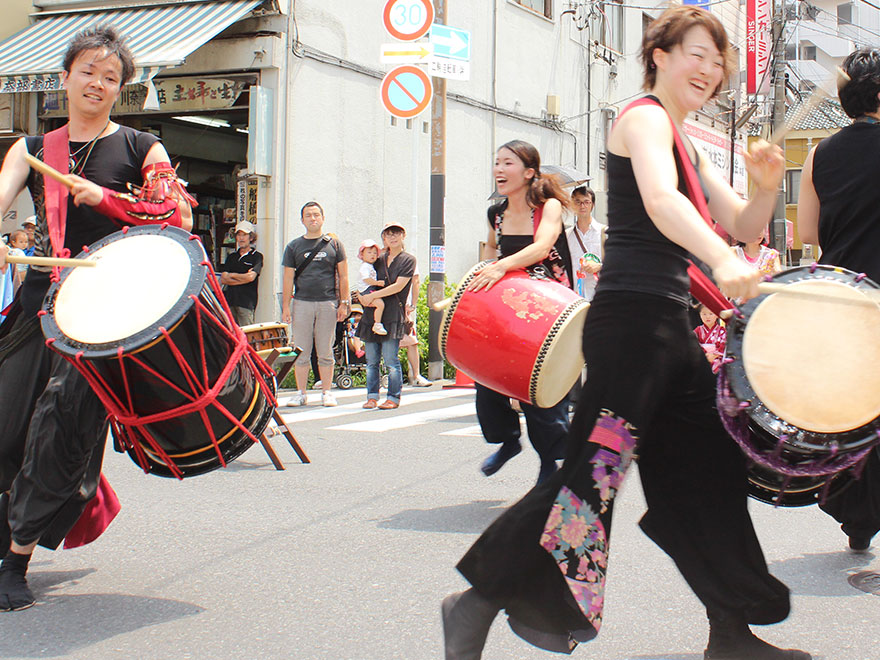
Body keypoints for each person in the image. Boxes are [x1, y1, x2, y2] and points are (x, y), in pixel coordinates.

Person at [442, 8, 811, 660]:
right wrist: (722, 263)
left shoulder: (688, 140)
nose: (709, 67)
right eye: (696, 52)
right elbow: (664, 204)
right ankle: (477, 601)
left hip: (670, 330)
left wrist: (758, 189)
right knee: (595, 474)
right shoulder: (640, 118)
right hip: (632, 326)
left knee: (710, 472)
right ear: (661, 55)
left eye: (717, 59)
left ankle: (730, 632)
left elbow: (747, 227)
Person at [0, 25, 194, 612]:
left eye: (112, 78)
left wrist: (106, 199)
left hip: (105, 309)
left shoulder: (141, 148)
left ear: (120, 90)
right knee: (8, 426)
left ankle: (16, 560)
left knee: (60, 430)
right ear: (64, 77)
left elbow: (175, 215)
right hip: (41, 301)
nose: (98, 83)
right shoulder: (33, 148)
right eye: (88, 71)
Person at [797, 46, 880, 554]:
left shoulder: (818, 153)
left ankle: (856, 512)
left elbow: (808, 231)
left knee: (853, 410)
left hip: (842, 296)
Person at [466, 140, 573, 487]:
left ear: (529, 172)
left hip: (546, 309)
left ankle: (548, 463)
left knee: (539, 386)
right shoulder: (495, 214)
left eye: (508, 163)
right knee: (489, 377)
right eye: (497, 162)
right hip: (506, 308)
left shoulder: (549, 207)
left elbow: (542, 247)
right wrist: (480, 274)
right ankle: (508, 441)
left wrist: (501, 268)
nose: (499, 169)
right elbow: (490, 250)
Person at [281, 201, 349, 407]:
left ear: (323, 218)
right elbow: (287, 278)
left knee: (325, 349)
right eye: (308, 215)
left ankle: (327, 392)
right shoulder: (293, 246)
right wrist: (286, 306)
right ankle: (301, 392)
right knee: (300, 349)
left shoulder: (334, 245)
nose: (313, 218)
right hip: (301, 302)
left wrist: (344, 304)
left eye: (316, 215)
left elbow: (343, 276)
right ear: (302, 220)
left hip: (328, 302)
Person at [357, 222, 415, 410]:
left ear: (403, 236)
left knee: (391, 360)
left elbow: (399, 286)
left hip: (392, 313)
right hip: (372, 313)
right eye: (388, 234)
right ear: (383, 238)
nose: (393, 237)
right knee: (371, 360)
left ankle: (393, 397)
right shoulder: (378, 258)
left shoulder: (408, 260)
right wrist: (361, 296)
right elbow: (362, 277)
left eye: (397, 233)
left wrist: (373, 295)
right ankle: (372, 396)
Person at [219, 220, 263, 326]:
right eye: (239, 235)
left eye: (244, 235)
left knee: (247, 335)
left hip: (246, 303)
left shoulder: (257, 256)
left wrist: (232, 275)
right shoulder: (231, 257)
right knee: (230, 335)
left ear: (251, 237)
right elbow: (224, 279)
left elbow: (251, 278)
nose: (241, 238)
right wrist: (243, 277)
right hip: (229, 302)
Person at [566, 186, 606, 302]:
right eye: (577, 202)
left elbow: (617, 264)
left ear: (592, 205)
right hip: (573, 298)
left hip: (599, 296)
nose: (582, 206)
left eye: (586, 202)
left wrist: (599, 267)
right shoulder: (567, 236)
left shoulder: (604, 232)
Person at [400, 264, 431, 386]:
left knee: (412, 341)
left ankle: (416, 375)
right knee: (390, 343)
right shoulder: (382, 258)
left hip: (404, 310)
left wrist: (413, 304)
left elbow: (416, 281)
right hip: (391, 308)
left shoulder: (408, 261)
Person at [355, 239, 387, 336]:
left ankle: (377, 323)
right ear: (362, 254)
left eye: (374, 253)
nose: (372, 255)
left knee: (379, 304)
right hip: (366, 290)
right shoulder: (365, 266)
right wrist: (377, 283)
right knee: (380, 304)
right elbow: (366, 279)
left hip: (368, 289)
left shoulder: (369, 266)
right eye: (369, 252)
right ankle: (377, 324)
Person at [694, 303, 726, 373]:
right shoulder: (697, 330)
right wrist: (704, 355)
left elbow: (723, 345)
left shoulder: (722, 331)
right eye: (704, 314)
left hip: (717, 361)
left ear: (717, 315)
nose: (707, 317)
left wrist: (714, 355)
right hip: (702, 359)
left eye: (711, 314)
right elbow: (694, 344)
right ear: (700, 315)